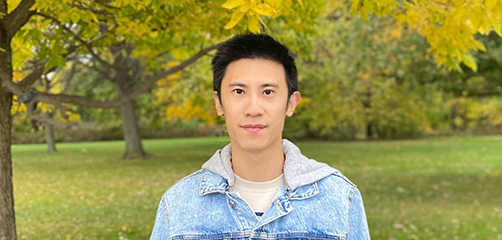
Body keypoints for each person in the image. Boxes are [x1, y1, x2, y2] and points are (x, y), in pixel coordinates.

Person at [150, 34, 370, 240]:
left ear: (291, 103)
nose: (253, 109)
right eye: (239, 91)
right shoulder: (179, 203)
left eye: (268, 92)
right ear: (218, 103)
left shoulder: (340, 198)